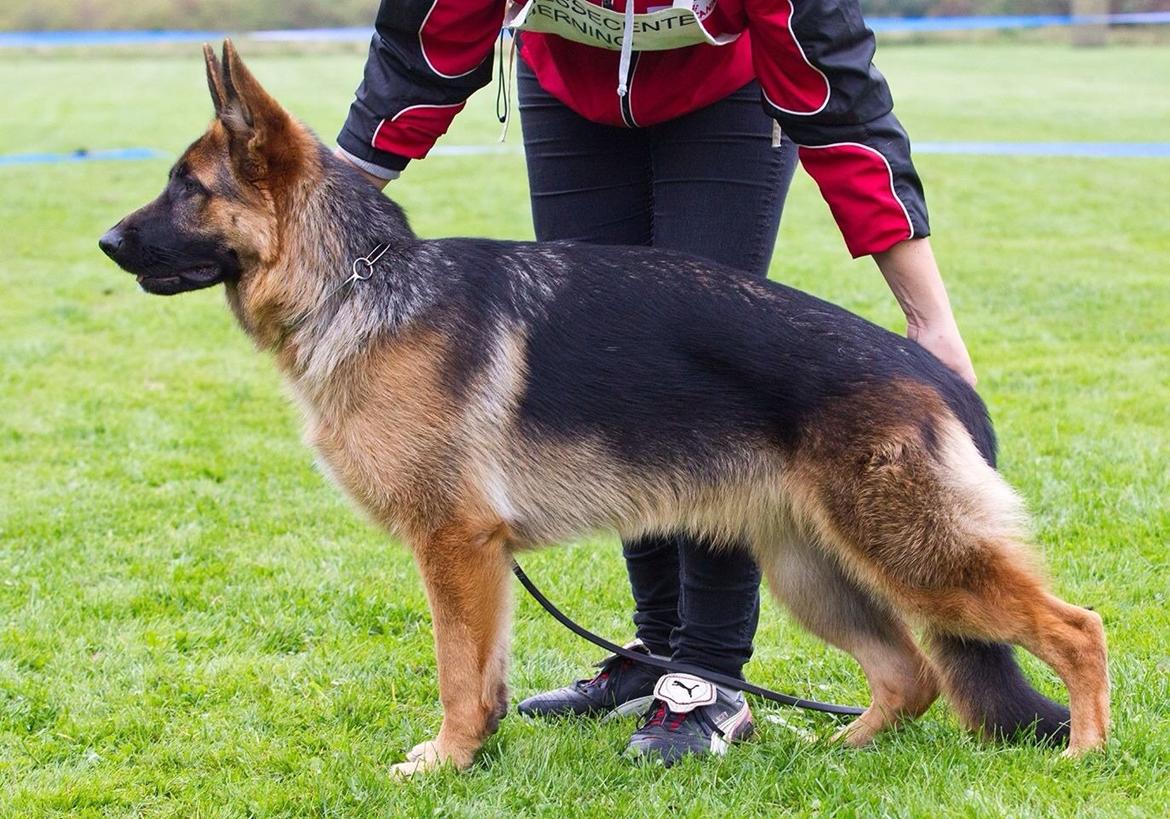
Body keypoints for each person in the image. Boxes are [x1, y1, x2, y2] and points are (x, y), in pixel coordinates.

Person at [335, 0, 977, 765]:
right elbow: (429, 35)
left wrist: (928, 315)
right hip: (570, 87)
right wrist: (313, 202)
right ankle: (661, 648)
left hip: (724, 89)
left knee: (712, 382)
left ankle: (709, 672)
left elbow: (835, 83)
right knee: (605, 373)